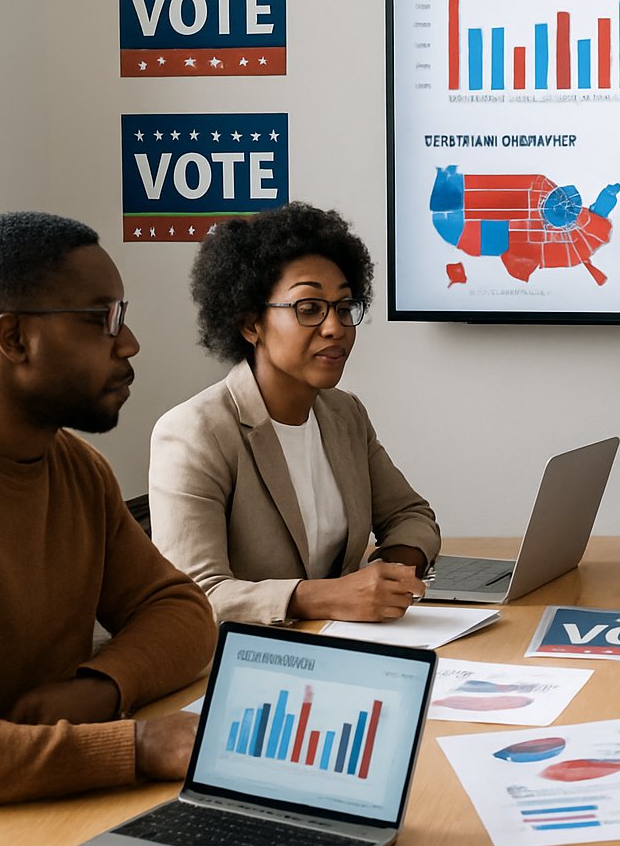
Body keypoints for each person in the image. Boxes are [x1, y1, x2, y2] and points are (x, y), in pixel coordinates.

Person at [0, 213, 216, 846]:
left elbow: (180, 612)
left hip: (48, 789)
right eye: (102, 320)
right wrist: (139, 747)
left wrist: (100, 687)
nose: (130, 344)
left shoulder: (76, 467)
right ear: (14, 337)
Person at [150, 203, 440, 626]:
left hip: (349, 642)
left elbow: (410, 515)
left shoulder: (345, 414)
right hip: (249, 661)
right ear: (251, 324)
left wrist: (391, 575)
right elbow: (197, 595)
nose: (334, 327)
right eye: (308, 308)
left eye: (344, 307)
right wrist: (328, 597)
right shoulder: (193, 432)